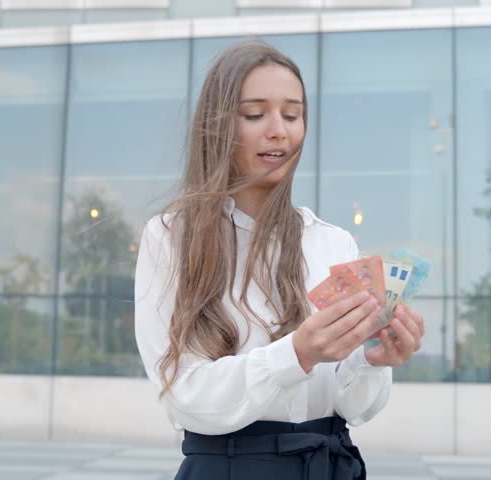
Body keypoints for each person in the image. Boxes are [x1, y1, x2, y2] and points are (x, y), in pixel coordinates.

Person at [134, 40, 425, 480]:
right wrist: (297, 353)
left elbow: (352, 407)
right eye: (255, 114)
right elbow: (185, 394)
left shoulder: (332, 242)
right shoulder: (171, 238)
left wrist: (372, 360)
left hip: (331, 464)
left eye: (292, 115)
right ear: (218, 125)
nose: (279, 131)